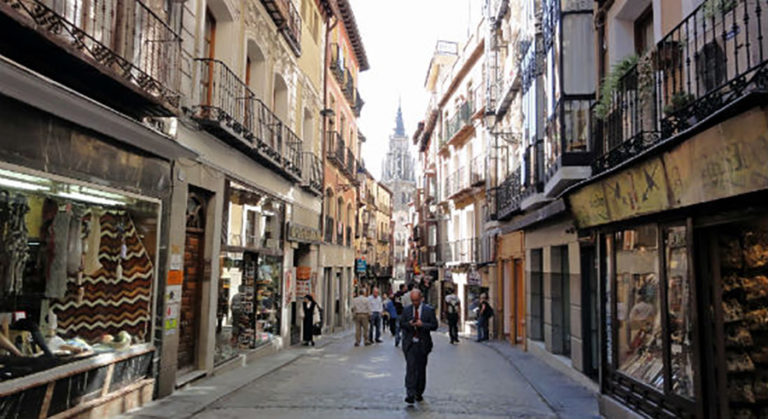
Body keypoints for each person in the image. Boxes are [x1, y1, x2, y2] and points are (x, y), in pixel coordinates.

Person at [400, 289, 438, 405]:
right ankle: (410, 394)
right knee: (411, 368)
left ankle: (419, 392)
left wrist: (423, 325)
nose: (415, 303)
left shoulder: (429, 311)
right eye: (413, 301)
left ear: (421, 299)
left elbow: (434, 326)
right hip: (410, 344)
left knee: (421, 369)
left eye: (416, 300)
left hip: (423, 344)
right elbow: (401, 324)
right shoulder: (407, 310)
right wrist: (409, 324)